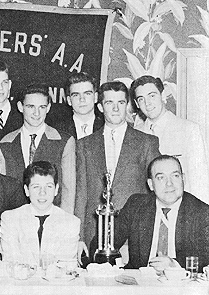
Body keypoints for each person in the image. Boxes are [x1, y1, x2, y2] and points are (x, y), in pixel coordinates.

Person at [75, 81, 160, 253]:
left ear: (127, 106)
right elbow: (81, 194)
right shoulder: (84, 145)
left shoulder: (146, 142)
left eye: (120, 103)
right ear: (100, 106)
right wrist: (78, 237)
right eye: (109, 103)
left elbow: (156, 191)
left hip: (134, 235)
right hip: (94, 235)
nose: (115, 109)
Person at [100, 155, 209, 270]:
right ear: (151, 184)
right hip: (139, 283)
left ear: (183, 179)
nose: (169, 183)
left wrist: (175, 265)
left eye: (175, 176)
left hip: (180, 283)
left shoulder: (202, 212)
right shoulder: (136, 205)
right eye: (161, 178)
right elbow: (104, 244)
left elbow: (206, 256)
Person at [0, 83, 76, 214]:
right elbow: (3, 191)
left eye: (42, 107)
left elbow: (68, 191)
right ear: (20, 107)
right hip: (17, 221)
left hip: (52, 220)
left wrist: (63, 224)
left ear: (48, 108)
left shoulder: (64, 141)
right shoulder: (5, 143)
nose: (36, 113)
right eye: (30, 107)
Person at [131, 75, 209, 204]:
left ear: (163, 95)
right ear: (136, 104)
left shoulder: (189, 129)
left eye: (152, 95)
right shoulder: (134, 135)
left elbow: (200, 182)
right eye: (141, 99)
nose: (147, 103)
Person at [0, 161, 80, 264]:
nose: (42, 193)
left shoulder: (71, 222)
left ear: (56, 189)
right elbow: (11, 261)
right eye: (36, 187)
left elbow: (65, 265)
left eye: (49, 186)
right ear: (26, 190)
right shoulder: (10, 219)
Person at [52, 72, 104, 140]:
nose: (82, 99)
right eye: (76, 95)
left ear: (96, 97)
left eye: (87, 93)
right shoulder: (57, 131)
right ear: (69, 100)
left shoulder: (106, 127)